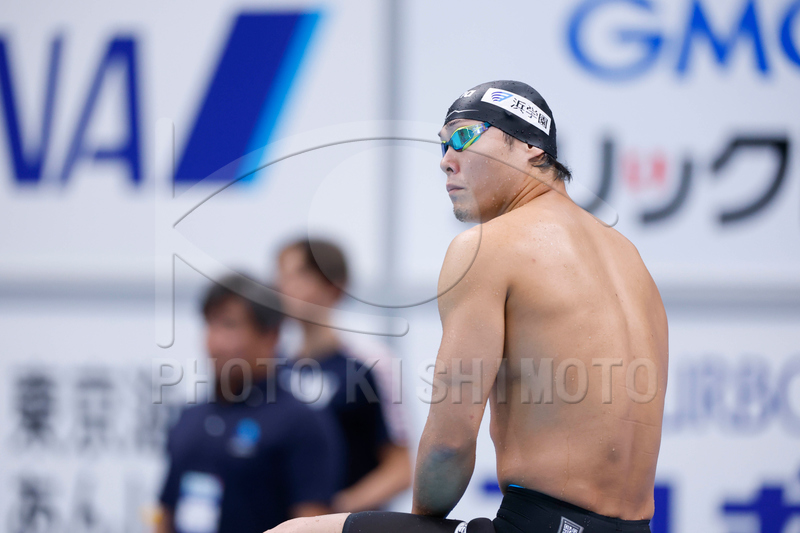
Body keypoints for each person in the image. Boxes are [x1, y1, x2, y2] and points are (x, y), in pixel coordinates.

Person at [268, 80, 669, 533]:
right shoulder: (631, 259)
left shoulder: (488, 247)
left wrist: (418, 528)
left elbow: (450, 443)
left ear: (532, 148)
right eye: (441, 145)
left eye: (463, 136)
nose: (445, 159)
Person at [156, 274, 342, 533]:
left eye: (229, 325)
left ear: (270, 335)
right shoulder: (190, 418)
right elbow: (165, 514)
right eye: (210, 325)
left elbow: (313, 524)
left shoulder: (301, 423)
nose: (215, 342)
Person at [275, 238, 412, 512]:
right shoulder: (275, 366)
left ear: (333, 286)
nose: (282, 287)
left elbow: (400, 469)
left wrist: (332, 512)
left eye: (298, 275)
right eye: (281, 276)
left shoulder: (371, 363)